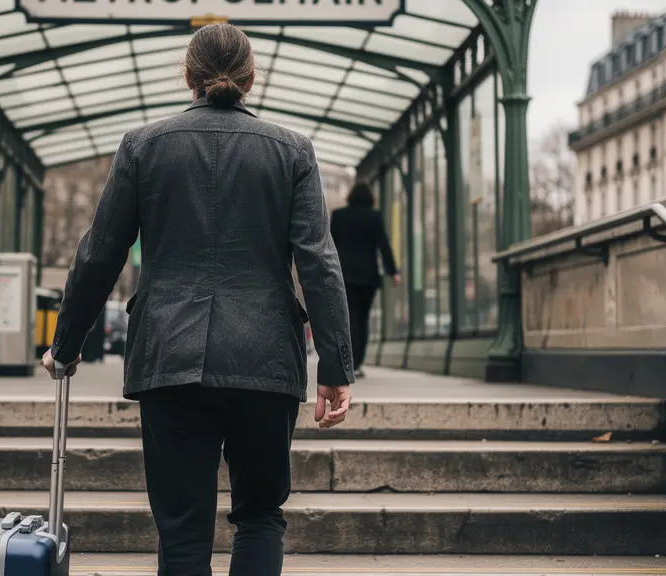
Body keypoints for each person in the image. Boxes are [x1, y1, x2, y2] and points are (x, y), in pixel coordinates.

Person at [41, 23, 354, 576]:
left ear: (187, 76)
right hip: (265, 359)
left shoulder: (143, 146)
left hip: (170, 358)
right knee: (260, 515)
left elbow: (99, 255)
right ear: (251, 79)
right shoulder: (294, 151)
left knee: (182, 533)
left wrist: (65, 345)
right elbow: (318, 262)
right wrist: (336, 365)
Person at [330, 183, 400, 378]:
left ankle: (348, 362)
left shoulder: (339, 216)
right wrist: (393, 271)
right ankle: (357, 363)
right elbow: (383, 244)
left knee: (348, 318)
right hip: (368, 277)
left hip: (343, 275)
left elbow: (329, 245)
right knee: (362, 319)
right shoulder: (374, 217)